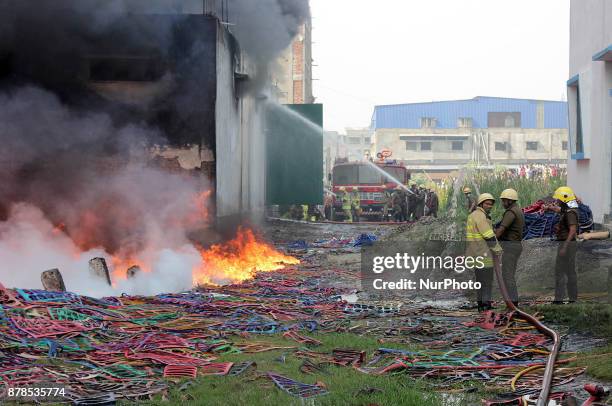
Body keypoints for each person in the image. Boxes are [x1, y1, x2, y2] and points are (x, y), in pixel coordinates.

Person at [466, 193, 502, 312]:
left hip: (475, 254)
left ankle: (481, 305)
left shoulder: (472, 215)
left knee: (480, 281)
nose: (489, 206)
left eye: (491, 204)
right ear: (481, 204)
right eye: (487, 204)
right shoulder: (480, 216)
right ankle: (486, 306)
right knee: (487, 281)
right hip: (484, 253)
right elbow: (488, 235)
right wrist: (497, 249)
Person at [545, 186, 579, 304]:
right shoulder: (567, 211)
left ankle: (560, 299)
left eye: (559, 199)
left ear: (564, 200)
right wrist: (551, 208)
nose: (557, 201)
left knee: (562, 271)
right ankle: (571, 299)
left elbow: (573, 230)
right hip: (567, 243)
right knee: (569, 271)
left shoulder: (570, 213)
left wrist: (564, 247)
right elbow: (561, 211)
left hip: (567, 244)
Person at [494, 189, 524, 306]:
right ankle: (512, 302)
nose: (502, 203)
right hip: (515, 246)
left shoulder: (511, 212)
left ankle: (513, 304)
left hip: (511, 246)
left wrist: (492, 239)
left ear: (509, 201)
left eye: (503, 201)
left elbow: (501, 229)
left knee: (507, 275)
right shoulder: (518, 210)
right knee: (509, 274)